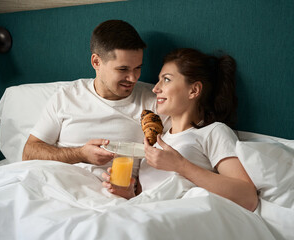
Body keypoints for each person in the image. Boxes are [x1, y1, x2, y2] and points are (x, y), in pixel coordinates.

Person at [102, 48, 258, 211]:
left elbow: (248, 198)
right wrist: (128, 194)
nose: (155, 88)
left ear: (194, 90)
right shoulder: (156, 143)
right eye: (159, 80)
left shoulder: (213, 132)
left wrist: (181, 166)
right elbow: (150, 200)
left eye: (166, 80)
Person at [22, 20, 169, 181]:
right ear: (96, 62)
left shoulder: (155, 101)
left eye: (138, 67)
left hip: (112, 195)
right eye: (123, 69)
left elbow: (176, 156)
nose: (133, 78)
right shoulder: (67, 96)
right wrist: (80, 154)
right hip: (58, 183)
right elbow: (29, 153)